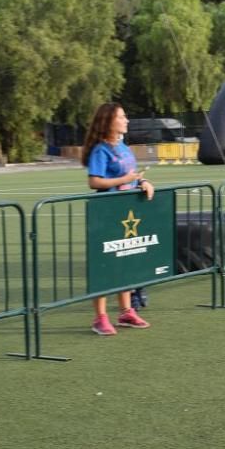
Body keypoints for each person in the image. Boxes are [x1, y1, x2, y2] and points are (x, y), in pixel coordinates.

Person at [82, 102, 154, 336]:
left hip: (127, 213)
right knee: (105, 267)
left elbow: (131, 178)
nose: (127, 121)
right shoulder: (100, 150)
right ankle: (100, 318)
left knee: (125, 261)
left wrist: (142, 183)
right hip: (107, 212)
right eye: (122, 117)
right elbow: (95, 181)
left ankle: (126, 312)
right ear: (109, 122)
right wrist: (123, 179)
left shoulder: (124, 147)